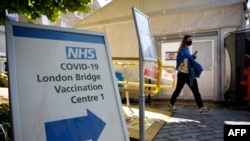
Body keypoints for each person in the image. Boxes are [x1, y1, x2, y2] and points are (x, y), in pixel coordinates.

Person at [167, 34, 212, 114]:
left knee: (195, 91)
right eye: (189, 40)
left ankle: (201, 108)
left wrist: (192, 57)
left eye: (191, 40)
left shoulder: (187, 49)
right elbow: (183, 62)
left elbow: (188, 60)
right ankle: (171, 105)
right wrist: (192, 58)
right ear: (185, 40)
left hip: (188, 74)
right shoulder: (182, 50)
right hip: (184, 74)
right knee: (180, 91)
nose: (191, 41)